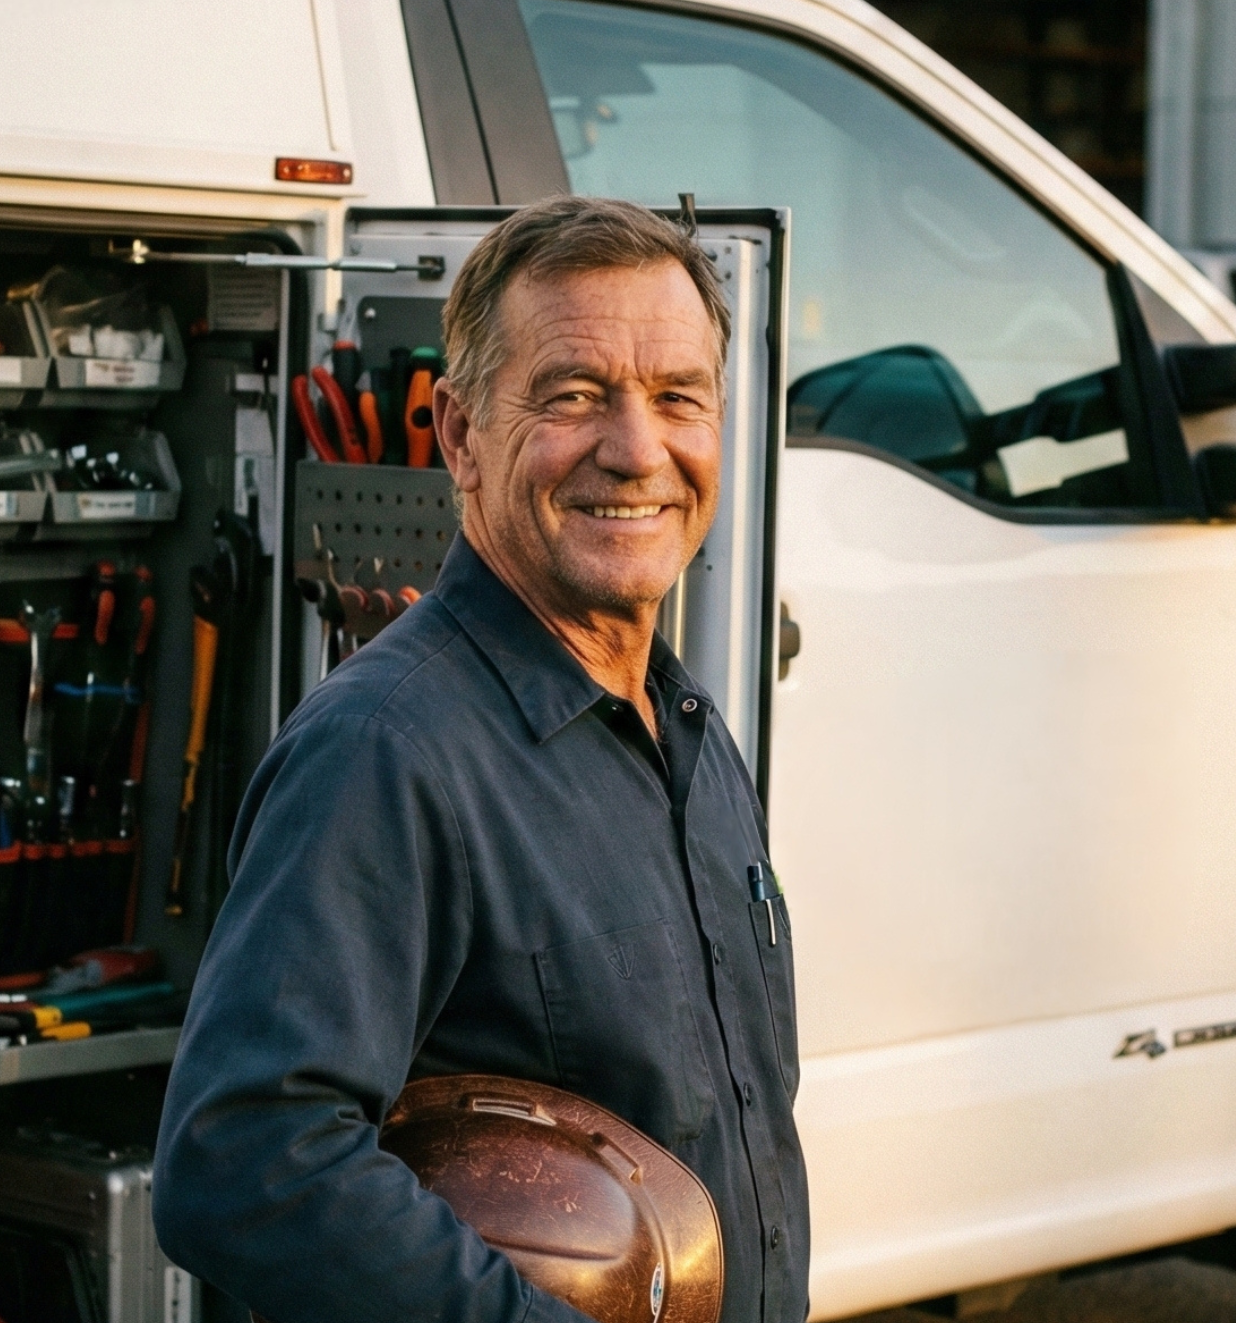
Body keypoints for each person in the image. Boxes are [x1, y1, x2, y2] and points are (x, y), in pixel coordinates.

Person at [154, 196, 808, 1323]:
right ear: (459, 435)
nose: (637, 450)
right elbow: (247, 1161)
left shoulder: (687, 725)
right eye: (573, 396)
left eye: (677, 399)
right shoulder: (384, 755)